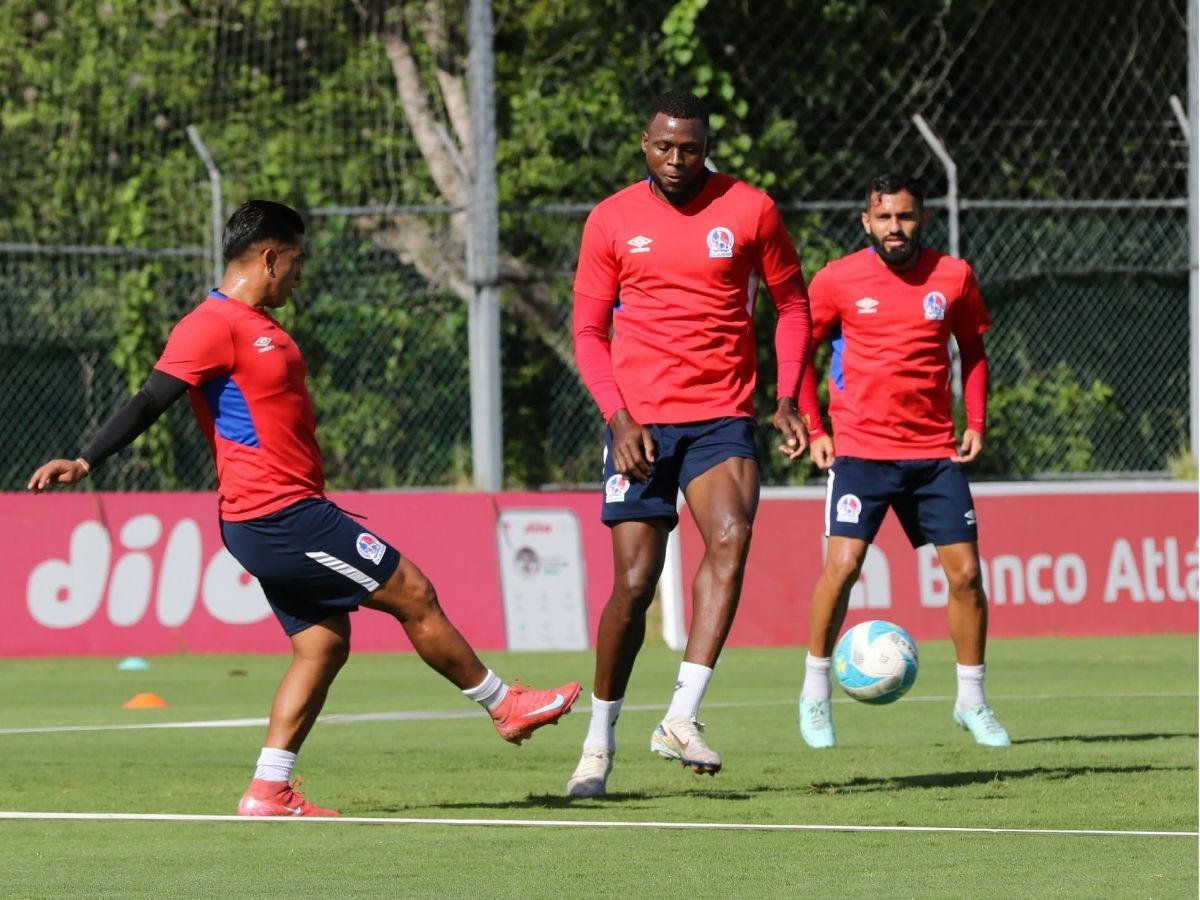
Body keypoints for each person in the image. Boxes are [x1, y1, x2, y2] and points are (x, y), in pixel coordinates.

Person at [27, 200, 581, 816]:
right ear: (269, 256)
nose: (300, 273)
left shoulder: (259, 322)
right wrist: (85, 460)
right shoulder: (211, 325)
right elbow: (150, 398)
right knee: (414, 594)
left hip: (283, 512)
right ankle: (504, 705)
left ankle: (268, 787)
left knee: (322, 646)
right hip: (277, 515)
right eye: (296, 261)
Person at [568, 90, 812, 797]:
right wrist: (616, 415)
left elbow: (791, 304)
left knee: (732, 536)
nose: (678, 160)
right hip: (638, 421)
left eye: (692, 149)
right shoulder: (612, 219)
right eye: (665, 147)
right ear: (644, 144)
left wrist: (789, 396)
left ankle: (681, 715)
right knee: (635, 588)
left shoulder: (751, 209)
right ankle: (598, 740)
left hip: (721, 415)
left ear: (709, 148)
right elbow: (587, 331)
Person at [796, 173, 1010, 749]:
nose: (896, 227)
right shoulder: (838, 279)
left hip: (934, 453)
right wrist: (815, 427)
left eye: (906, 216)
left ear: (922, 219)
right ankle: (815, 694)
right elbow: (800, 353)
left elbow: (976, 352)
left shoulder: (954, 276)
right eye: (885, 217)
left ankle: (973, 702)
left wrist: (977, 422)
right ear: (866, 222)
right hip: (861, 452)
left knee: (966, 576)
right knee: (842, 568)